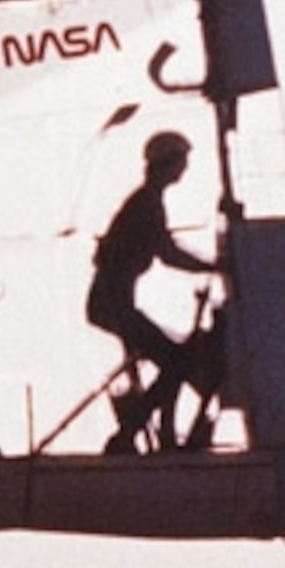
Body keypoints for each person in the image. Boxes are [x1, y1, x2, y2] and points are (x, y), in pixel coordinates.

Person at [83, 128, 223, 449]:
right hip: (113, 306)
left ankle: (157, 432)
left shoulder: (147, 200)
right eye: (181, 162)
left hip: (113, 304)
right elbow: (168, 253)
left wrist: (208, 264)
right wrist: (214, 265)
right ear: (167, 164)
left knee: (173, 359)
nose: (184, 169)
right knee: (177, 362)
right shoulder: (146, 204)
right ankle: (127, 435)